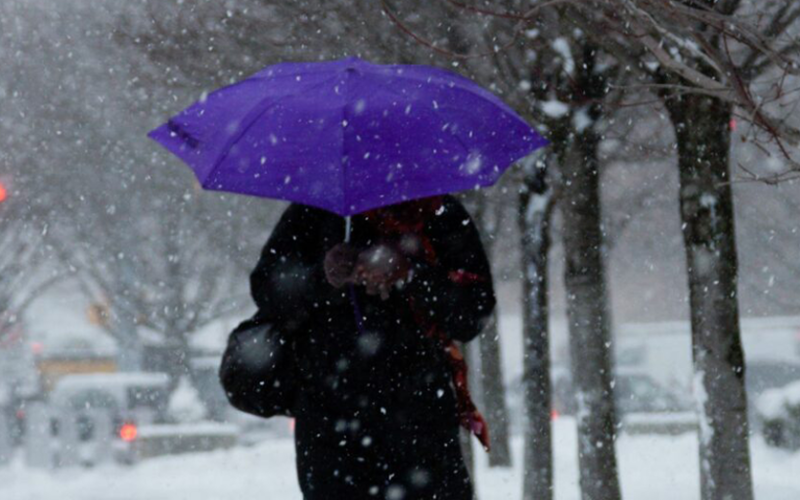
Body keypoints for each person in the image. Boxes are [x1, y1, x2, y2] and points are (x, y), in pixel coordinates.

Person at [219, 195, 495, 500]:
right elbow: (268, 289)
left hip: (421, 427)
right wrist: (323, 277)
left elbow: (471, 314)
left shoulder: (438, 214)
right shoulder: (314, 212)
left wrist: (410, 272)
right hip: (332, 429)